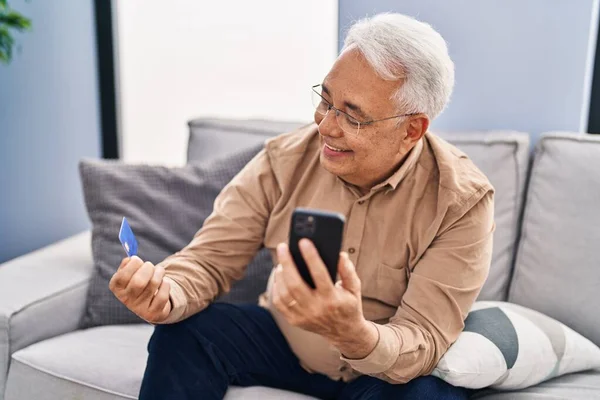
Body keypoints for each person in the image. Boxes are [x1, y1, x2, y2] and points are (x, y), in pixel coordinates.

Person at [110, 12, 494, 400]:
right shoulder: (284, 160)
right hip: (285, 343)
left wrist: (354, 333)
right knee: (186, 332)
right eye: (326, 101)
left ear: (411, 130)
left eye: (352, 116)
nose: (325, 125)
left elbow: (423, 337)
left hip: (378, 369)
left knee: (432, 396)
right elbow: (209, 259)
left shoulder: (460, 202)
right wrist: (167, 292)